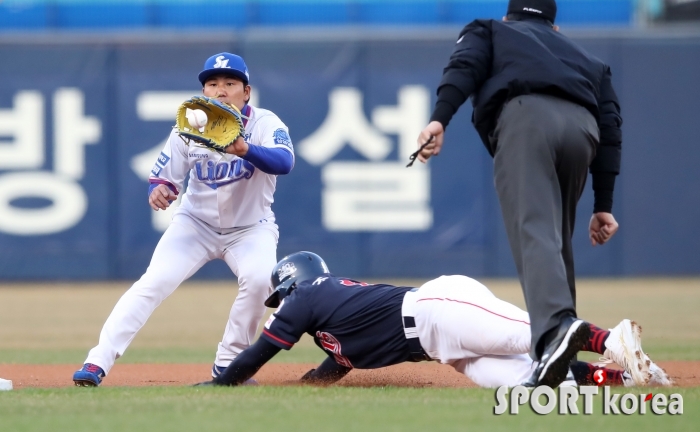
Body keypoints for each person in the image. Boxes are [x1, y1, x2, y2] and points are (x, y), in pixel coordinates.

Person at [414, 0, 623, 387]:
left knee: (534, 232)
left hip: (527, 121)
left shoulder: (491, 29)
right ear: (556, 27)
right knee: (555, 242)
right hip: (584, 131)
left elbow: (465, 66)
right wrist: (604, 204)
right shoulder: (591, 62)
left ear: (510, 19)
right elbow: (611, 129)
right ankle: (557, 358)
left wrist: (440, 118)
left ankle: (556, 333)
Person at [73, 52, 295, 387]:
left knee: (261, 279)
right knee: (153, 283)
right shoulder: (189, 127)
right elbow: (164, 177)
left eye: (230, 83)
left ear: (246, 91)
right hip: (195, 226)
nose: (220, 91)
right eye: (212, 84)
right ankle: (96, 362)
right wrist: (159, 190)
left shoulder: (266, 124)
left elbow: (285, 161)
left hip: (251, 228)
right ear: (204, 91)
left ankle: (228, 364)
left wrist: (245, 149)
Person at [197, 252, 670, 388]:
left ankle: (613, 337)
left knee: (533, 336)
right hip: (440, 347)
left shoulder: (309, 295)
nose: (281, 306)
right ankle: (623, 378)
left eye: (281, 296)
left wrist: (221, 384)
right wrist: (308, 387)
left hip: (436, 308)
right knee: (527, 381)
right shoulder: (332, 329)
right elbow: (338, 365)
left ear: (294, 284)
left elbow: (258, 353)